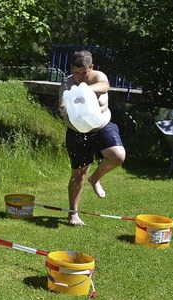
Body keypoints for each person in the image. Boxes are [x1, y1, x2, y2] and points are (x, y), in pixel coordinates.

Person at [58, 50, 126, 226]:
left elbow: (105, 86)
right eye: (76, 72)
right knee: (78, 175)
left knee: (118, 155)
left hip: (102, 128)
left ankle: (95, 179)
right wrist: (65, 104)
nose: (80, 76)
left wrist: (83, 90)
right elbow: (63, 103)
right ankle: (73, 213)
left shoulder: (98, 77)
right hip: (78, 134)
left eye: (84, 72)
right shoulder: (67, 83)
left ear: (91, 68)